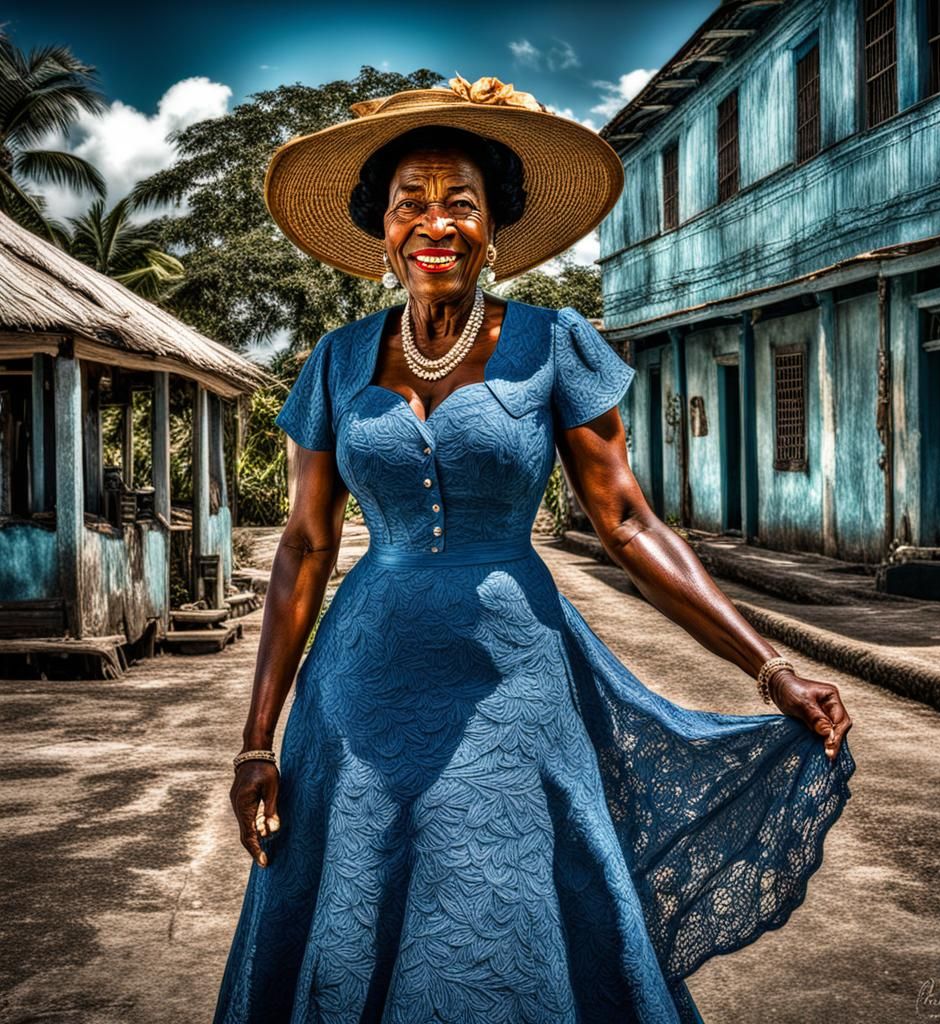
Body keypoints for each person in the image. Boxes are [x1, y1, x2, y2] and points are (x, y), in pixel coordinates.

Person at [214, 75, 855, 1024]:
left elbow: (629, 524)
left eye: (460, 203)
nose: (436, 224)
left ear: (494, 227)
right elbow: (306, 547)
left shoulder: (556, 343)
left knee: (502, 918)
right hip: (357, 697)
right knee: (352, 918)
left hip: (515, 690)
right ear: (380, 231)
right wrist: (256, 741)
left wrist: (769, 667)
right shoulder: (338, 359)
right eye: (411, 204)